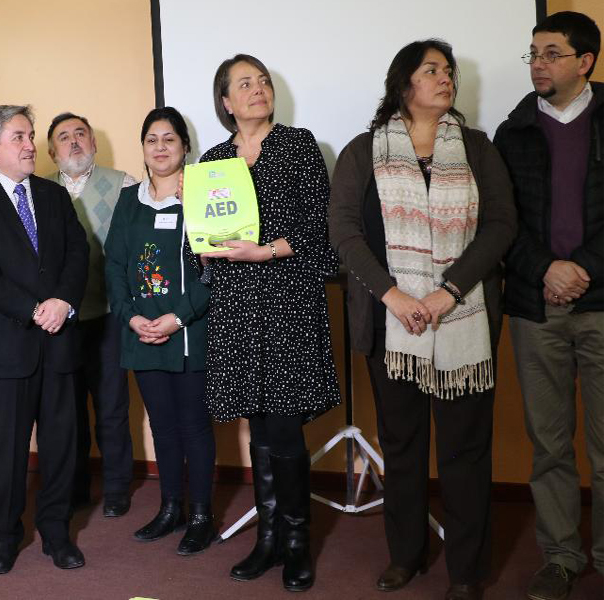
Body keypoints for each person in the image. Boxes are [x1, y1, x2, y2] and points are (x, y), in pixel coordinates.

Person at [329, 40, 517, 600]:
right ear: (403, 83)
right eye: (431, 69)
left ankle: (466, 571)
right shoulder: (363, 150)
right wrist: (393, 295)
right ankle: (405, 556)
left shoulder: (477, 148)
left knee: (464, 451)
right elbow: (344, 232)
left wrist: (447, 293)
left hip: (464, 321)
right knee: (403, 446)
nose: (445, 78)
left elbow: (502, 225)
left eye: (449, 70)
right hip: (391, 326)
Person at [191, 54, 341, 592]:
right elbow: (200, 242)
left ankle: (298, 542)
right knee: (256, 425)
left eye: (263, 81)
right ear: (226, 102)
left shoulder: (298, 145)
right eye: (245, 84)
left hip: (287, 301)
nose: (258, 89)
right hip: (236, 307)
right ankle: (269, 537)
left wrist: (266, 251)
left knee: (283, 424)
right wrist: (202, 249)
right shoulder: (212, 161)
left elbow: (320, 227)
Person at [493, 12, 602, 600]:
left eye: (552, 53)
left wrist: (582, 269)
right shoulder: (513, 130)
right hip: (537, 308)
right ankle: (561, 557)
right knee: (551, 445)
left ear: (585, 62)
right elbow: (500, 222)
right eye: (533, 53)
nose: (538, 64)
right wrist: (546, 270)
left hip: (602, 303)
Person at [0, 105, 89, 575]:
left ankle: (57, 533)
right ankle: (5, 536)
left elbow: (78, 253)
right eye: (19, 137)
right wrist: (33, 309)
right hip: (6, 346)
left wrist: (63, 302)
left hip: (58, 342)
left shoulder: (54, 195)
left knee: (62, 446)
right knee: (7, 452)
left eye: (30, 135)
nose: (31, 145)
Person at [104, 107, 215, 554]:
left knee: (194, 427)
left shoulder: (204, 197)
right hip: (142, 333)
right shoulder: (129, 200)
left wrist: (177, 318)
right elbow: (114, 265)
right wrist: (130, 317)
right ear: (143, 148)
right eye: (152, 139)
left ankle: (202, 516)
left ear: (185, 146)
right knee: (163, 427)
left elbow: (215, 272)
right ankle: (171, 508)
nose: (161, 147)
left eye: (170, 139)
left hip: (188, 332)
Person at [46, 112, 136, 515]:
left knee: (112, 408)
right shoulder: (39, 191)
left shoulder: (125, 184)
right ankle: (77, 486)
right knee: (69, 412)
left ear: (94, 143)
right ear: (52, 152)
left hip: (110, 316)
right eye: (63, 137)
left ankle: (116, 488)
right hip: (59, 321)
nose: (74, 141)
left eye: (80, 134)